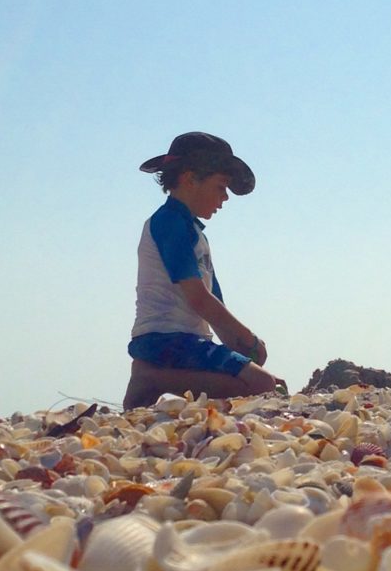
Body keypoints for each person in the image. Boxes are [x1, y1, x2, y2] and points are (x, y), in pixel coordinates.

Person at [122, 132, 286, 410]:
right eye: (221, 186)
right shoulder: (169, 222)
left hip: (187, 340)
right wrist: (247, 336)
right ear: (189, 179)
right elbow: (198, 299)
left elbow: (215, 303)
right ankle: (150, 378)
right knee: (263, 386)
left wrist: (241, 348)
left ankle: (157, 380)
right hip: (166, 339)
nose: (225, 197)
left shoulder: (195, 233)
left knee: (261, 374)